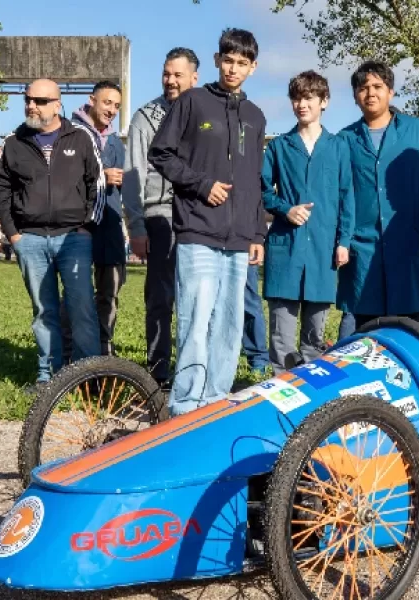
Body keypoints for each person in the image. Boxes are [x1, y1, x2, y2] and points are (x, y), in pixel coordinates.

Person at [149, 29, 267, 415]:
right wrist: (201, 185)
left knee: (230, 326)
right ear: (217, 60)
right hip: (198, 229)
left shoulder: (256, 116)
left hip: (237, 239)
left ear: (253, 67)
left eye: (242, 63)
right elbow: (161, 153)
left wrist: (257, 233)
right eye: (227, 60)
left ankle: (215, 403)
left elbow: (254, 181)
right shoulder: (192, 102)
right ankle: (184, 407)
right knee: (196, 321)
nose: (233, 69)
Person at [0, 79, 104, 383]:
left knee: (82, 308)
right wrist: (13, 234)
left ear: (57, 104)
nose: (32, 105)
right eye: (28, 99)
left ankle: (87, 378)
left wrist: (86, 227)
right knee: (43, 311)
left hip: (74, 237)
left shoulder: (81, 137)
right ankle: (49, 379)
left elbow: (97, 185)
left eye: (40, 100)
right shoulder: (14, 142)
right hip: (29, 238)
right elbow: (1, 189)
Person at [337, 61, 419, 330]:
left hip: (409, 242)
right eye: (363, 88)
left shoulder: (417, 131)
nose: (370, 93)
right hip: (361, 246)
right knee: (363, 327)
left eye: (377, 87)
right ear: (355, 96)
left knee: (408, 327)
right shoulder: (345, 139)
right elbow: (338, 193)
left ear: (391, 92)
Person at [263, 70, 354, 373]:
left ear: (324, 101)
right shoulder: (278, 147)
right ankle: (280, 400)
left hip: (323, 253)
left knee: (315, 339)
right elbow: (261, 190)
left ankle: (311, 406)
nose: (301, 104)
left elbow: (346, 197)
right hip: (285, 251)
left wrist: (343, 242)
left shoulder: (339, 147)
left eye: (308, 98)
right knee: (281, 339)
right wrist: (285, 209)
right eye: (296, 98)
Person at [124, 47, 199, 385]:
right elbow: (133, 174)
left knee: (196, 298)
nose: (169, 80)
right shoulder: (145, 117)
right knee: (160, 298)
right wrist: (137, 225)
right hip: (160, 215)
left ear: (194, 78)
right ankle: (158, 374)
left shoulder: (207, 114)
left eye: (177, 75)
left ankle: (193, 372)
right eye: (166, 73)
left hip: (199, 216)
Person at [66, 81, 126, 356]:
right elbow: (62, 177)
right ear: (92, 100)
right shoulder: (69, 133)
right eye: (106, 103)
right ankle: (70, 355)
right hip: (77, 224)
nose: (112, 110)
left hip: (110, 223)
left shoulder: (115, 141)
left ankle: (104, 351)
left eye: (116, 105)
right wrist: (102, 176)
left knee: (109, 291)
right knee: (76, 295)